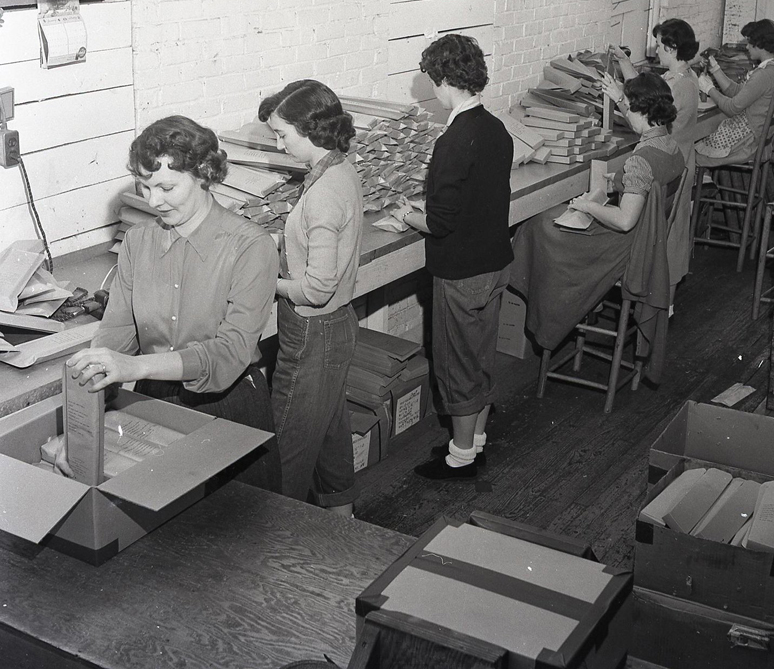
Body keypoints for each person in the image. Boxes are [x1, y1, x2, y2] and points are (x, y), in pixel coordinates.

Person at [66, 116, 281, 492]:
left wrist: (133, 366)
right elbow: (118, 331)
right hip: (155, 400)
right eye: (145, 186)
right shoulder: (137, 242)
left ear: (205, 174)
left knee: (242, 530)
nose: (153, 201)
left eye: (166, 187)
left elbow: (230, 354)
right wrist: (83, 416)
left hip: (228, 406)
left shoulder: (251, 246)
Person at [392, 34, 513, 481]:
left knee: (456, 365)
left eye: (432, 82)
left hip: (462, 273)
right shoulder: (495, 128)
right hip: (495, 263)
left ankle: (460, 458)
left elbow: (440, 222)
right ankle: (474, 442)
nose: (433, 91)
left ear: (445, 80)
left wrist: (408, 214)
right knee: (480, 358)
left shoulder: (454, 139)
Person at [511, 72, 684, 383]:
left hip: (626, 246)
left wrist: (586, 205)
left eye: (627, 107)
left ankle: (546, 318)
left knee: (538, 226)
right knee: (546, 224)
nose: (624, 112)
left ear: (642, 110)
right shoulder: (671, 146)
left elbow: (625, 220)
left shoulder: (640, 160)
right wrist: (619, 183)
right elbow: (645, 193)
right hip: (648, 242)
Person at [258, 80, 363, 516]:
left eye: (283, 135)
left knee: (286, 448)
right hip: (336, 329)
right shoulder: (340, 168)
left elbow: (316, 288)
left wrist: (269, 280)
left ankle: (275, 547)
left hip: (312, 331)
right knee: (330, 437)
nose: (280, 145)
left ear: (310, 129)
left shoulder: (322, 195)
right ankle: (345, 528)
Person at [611, 18, 700, 295]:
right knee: (672, 232)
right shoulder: (687, 75)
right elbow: (648, 89)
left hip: (667, 161)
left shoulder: (674, 86)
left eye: (660, 45)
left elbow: (646, 110)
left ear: (672, 48)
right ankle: (666, 299)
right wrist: (625, 63)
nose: (656, 51)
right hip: (679, 159)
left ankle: (663, 296)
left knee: (667, 236)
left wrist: (618, 98)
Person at [696, 19, 774, 166]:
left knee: (692, 151)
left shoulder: (763, 75)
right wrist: (716, 69)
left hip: (748, 144)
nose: (746, 47)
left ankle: (702, 185)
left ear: (760, 44)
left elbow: (732, 108)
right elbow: (738, 92)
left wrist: (709, 89)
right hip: (759, 141)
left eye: (749, 42)